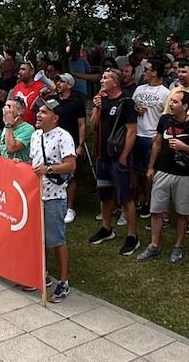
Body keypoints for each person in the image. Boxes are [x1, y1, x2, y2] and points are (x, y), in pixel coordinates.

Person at [139, 90, 189, 264]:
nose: (171, 104)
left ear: (185, 106)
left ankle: (178, 245)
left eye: (175, 102)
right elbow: (157, 144)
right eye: (171, 101)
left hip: (184, 175)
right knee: (156, 210)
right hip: (162, 171)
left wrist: (184, 147)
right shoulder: (164, 120)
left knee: (183, 213)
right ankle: (154, 245)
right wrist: (151, 167)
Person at [89, 70, 141, 257]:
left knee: (125, 197)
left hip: (118, 157)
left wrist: (124, 156)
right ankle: (106, 228)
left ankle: (132, 236)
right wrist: (96, 107)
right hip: (102, 157)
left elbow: (131, 131)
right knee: (104, 195)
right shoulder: (102, 101)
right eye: (101, 77)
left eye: (105, 78)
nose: (101, 80)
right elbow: (94, 126)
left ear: (116, 82)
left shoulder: (126, 102)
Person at [31, 98, 77, 302]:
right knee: (38, 238)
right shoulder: (35, 135)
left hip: (54, 196)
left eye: (44, 112)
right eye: (38, 111)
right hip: (35, 194)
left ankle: (64, 282)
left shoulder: (63, 137)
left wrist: (48, 170)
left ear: (55, 117)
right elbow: (33, 162)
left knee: (57, 240)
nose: (38, 115)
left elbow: (70, 165)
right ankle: (44, 274)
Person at [132, 63, 170, 219]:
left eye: (146, 70)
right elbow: (131, 106)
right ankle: (134, 201)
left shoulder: (166, 93)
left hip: (152, 137)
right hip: (136, 134)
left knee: (149, 172)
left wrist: (159, 136)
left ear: (154, 72)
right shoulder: (139, 89)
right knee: (134, 171)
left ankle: (148, 202)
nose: (143, 73)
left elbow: (167, 117)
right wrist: (135, 109)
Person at [52, 74, 87, 223]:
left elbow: (81, 124)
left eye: (62, 81)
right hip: (53, 142)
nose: (58, 83)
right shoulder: (53, 100)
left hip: (70, 142)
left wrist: (80, 144)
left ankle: (70, 208)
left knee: (70, 176)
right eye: (57, 81)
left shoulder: (77, 101)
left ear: (70, 85)